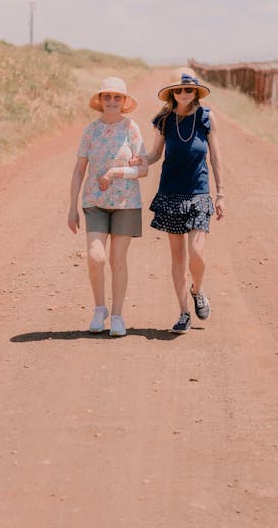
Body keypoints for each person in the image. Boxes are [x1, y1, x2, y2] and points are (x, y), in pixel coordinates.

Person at [145, 68, 224, 334]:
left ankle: (197, 289)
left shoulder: (206, 116)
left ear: (196, 92)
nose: (183, 93)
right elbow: (155, 154)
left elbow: (214, 156)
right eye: (178, 90)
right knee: (178, 257)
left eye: (188, 89)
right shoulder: (164, 119)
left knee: (197, 254)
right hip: (170, 193)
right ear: (171, 94)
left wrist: (221, 192)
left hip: (199, 193)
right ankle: (183, 312)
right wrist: (139, 160)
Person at [68, 76, 147, 337]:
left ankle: (117, 316)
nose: (112, 101)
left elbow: (143, 169)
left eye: (117, 97)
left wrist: (116, 172)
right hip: (95, 202)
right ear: (100, 100)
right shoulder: (90, 131)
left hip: (126, 203)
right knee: (96, 257)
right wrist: (72, 207)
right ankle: (99, 308)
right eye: (107, 97)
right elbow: (80, 169)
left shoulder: (132, 128)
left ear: (124, 102)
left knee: (118, 261)